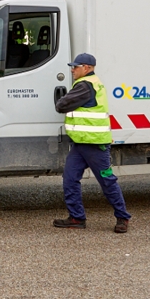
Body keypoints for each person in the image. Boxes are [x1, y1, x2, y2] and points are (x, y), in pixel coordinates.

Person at [53, 53, 131, 233]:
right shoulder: (88, 83)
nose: (72, 69)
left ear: (86, 68)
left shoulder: (86, 86)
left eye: (75, 66)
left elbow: (61, 105)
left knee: (107, 182)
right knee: (70, 179)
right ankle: (76, 218)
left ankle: (122, 217)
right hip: (81, 144)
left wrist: (62, 100)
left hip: (95, 145)